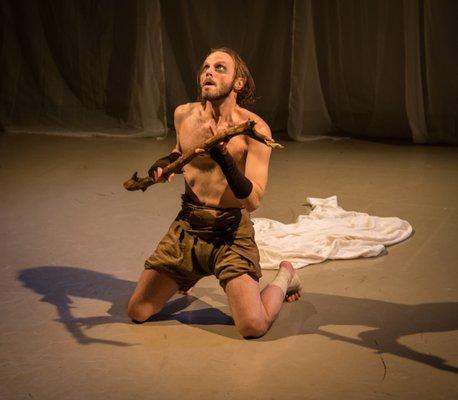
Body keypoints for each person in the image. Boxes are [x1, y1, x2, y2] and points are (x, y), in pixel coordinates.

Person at [127, 47, 301, 338]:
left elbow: (254, 199)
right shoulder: (184, 115)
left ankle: (286, 276)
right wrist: (164, 164)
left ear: (238, 83)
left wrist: (223, 157)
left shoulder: (255, 129)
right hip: (188, 227)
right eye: (206, 66)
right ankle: (189, 270)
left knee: (252, 326)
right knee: (138, 311)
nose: (209, 71)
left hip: (230, 232)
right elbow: (179, 152)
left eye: (220, 67)